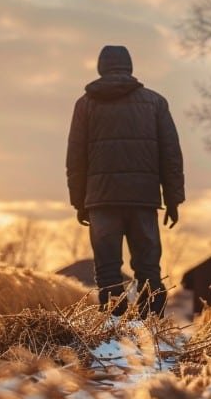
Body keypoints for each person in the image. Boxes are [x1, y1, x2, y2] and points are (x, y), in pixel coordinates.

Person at [65, 44, 185, 318]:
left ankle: (113, 334)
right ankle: (151, 332)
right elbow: (171, 156)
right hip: (143, 201)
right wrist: (174, 199)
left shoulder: (85, 105)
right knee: (148, 270)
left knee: (108, 273)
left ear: (101, 68)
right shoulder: (155, 102)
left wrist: (79, 202)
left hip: (102, 201)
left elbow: (75, 159)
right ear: (129, 67)